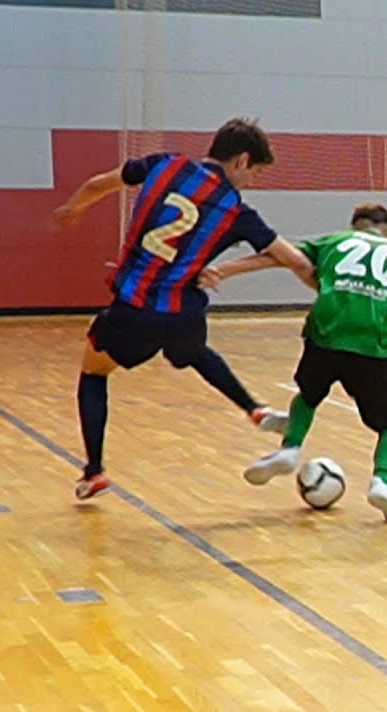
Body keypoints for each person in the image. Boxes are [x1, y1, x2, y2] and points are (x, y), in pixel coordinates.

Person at [52, 117, 315, 502]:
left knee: (93, 372)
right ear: (241, 160)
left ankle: (94, 471)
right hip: (184, 315)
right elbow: (293, 258)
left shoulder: (163, 164)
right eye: (254, 172)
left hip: (134, 310)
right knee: (190, 350)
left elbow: (98, 184)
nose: (250, 181)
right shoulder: (236, 210)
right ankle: (254, 409)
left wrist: (73, 208)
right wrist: (325, 286)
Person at [200, 203, 387, 522]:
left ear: (354, 226)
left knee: (307, 396)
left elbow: (276, 257)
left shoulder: (332, 242)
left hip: (324, 336)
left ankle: (290, 449)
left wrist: (225, 269)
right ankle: (382, 483)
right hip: (370, 347)